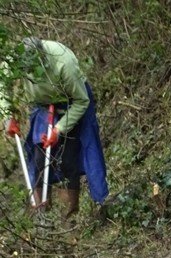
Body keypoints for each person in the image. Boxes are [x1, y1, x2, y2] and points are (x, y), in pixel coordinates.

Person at [3, 37, 108, 217]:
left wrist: (59, 129)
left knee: (71, 158)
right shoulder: (15, 60)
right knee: (38, 156)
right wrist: (7, 117)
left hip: (73, 101)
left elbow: (82, 101)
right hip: (43, 104)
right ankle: (42, 213)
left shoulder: (63, 63)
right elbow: (2, 84)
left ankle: (78, 211)